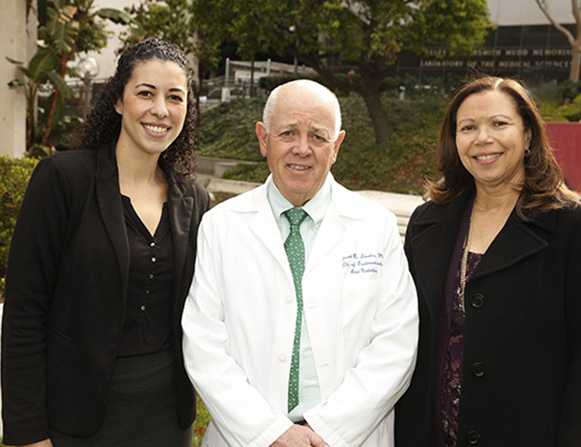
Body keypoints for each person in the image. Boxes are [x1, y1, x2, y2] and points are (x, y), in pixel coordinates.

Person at [182, 79, 419, 446]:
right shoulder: (221, 226)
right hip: (247, 437)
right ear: (264, 139)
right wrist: (269, 432)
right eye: (288, 133)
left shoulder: (376, 226)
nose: (302, 148)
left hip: (347, 437)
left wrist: (327, 430)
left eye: (318, 136)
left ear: (337, 146)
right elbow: (203, 343)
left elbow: (396, 344)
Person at [1, 38, 210, 446]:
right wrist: (28, 433)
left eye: (175, 97)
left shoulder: (195, 200)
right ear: (118, 101)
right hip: (74, 417)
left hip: (167, 420)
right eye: (145, 93)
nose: (160, 110)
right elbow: (24, 312)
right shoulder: (62, 181)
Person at [394, 75, 581, 447]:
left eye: (499, 124)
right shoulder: (427, 223)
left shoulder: (576, 227)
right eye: (468, 127)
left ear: (528, 137)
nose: (482, 138)